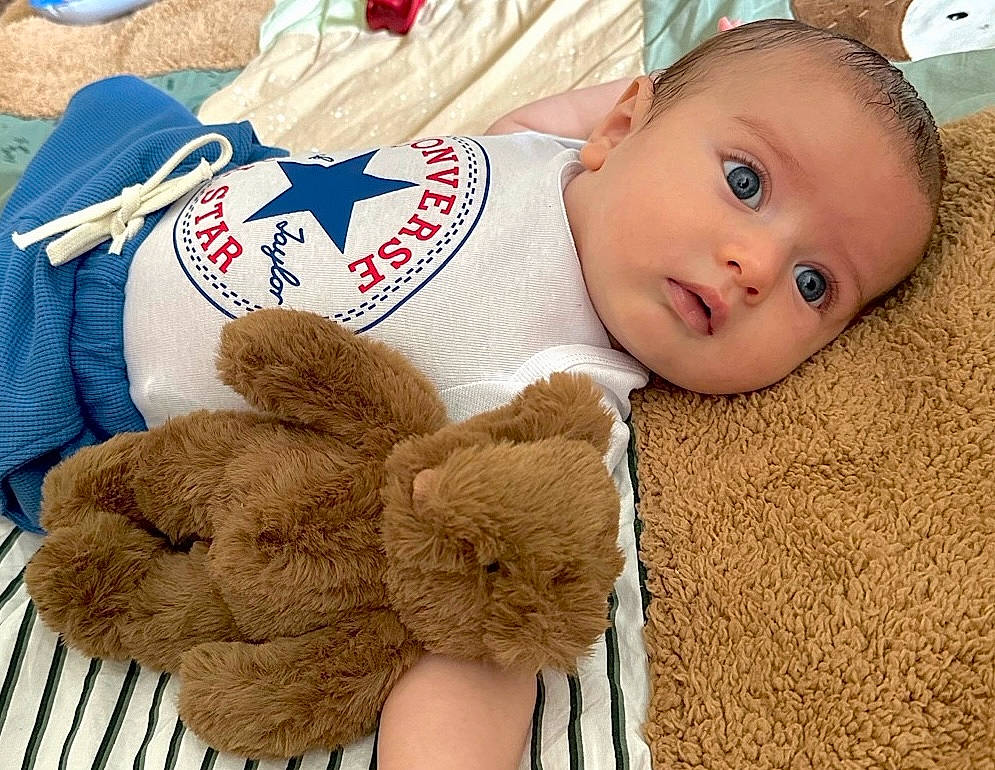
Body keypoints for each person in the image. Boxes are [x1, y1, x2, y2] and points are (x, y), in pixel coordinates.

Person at [0, 18, 945, 770]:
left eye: (815, 284)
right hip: (167, 175)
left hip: (65, 355)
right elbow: (564, 116)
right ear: (621, 130)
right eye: (744, 181)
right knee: (117, 94)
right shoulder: (555, 153)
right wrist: (684, 77)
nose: (757, 266)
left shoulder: (562, 396)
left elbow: (483, 624)